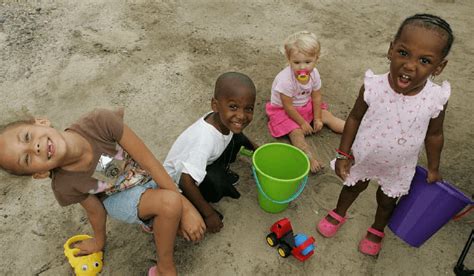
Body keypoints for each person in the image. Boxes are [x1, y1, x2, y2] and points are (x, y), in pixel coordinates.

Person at [0, 108, 206, 276]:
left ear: (41, 122)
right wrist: (99, 241)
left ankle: (152, 220)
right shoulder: (64, 186)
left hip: (140, 174)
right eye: (27, 159)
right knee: (170, 204)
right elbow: (95, 211)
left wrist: (186, 208)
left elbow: (149, 163)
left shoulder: (99, 122)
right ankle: (164, 268)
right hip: (116, 197)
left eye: (27, 137)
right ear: (40, 173)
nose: (34, 148)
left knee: (181, 221)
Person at [316, 14, 454, 256]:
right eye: (403, 52)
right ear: (391, 50)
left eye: (424, 60)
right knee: (352, 187)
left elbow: (434, 135)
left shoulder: (435, 99)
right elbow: (354, 118)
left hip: (399, 165)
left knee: (387, 200)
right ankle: (339, 212)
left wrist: (434, 167)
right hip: (364, 155)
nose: (410, 65)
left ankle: (377, 229)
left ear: (439, 67)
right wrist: (342, 153)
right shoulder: (374, 86)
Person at [164, 72, 257, 234]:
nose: (241, 116)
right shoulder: (204, 141)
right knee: (215, 184)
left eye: (248, 108)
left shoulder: (221, 120)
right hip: (178, 183)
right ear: (215, 105)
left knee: (237, 137)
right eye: (233, 106)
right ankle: (197, 208)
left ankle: (221, 176)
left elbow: (239, 136)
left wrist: (259, 150)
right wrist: (209, 214)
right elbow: (185, 181)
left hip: (200, 164)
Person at [265, 30, 345, 173]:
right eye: (296, 62)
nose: (302, 67)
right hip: (285, 111)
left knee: (327, 116)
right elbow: (288, 107)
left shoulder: (314, 74)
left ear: (316, 59)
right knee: (296, 132)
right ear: (289, 60)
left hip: (305, 104)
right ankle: (308, 158)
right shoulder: (286, 80)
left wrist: (318, 118)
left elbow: (316, 97)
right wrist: (302, 123)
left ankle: (355, 132)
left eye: (308, 62)